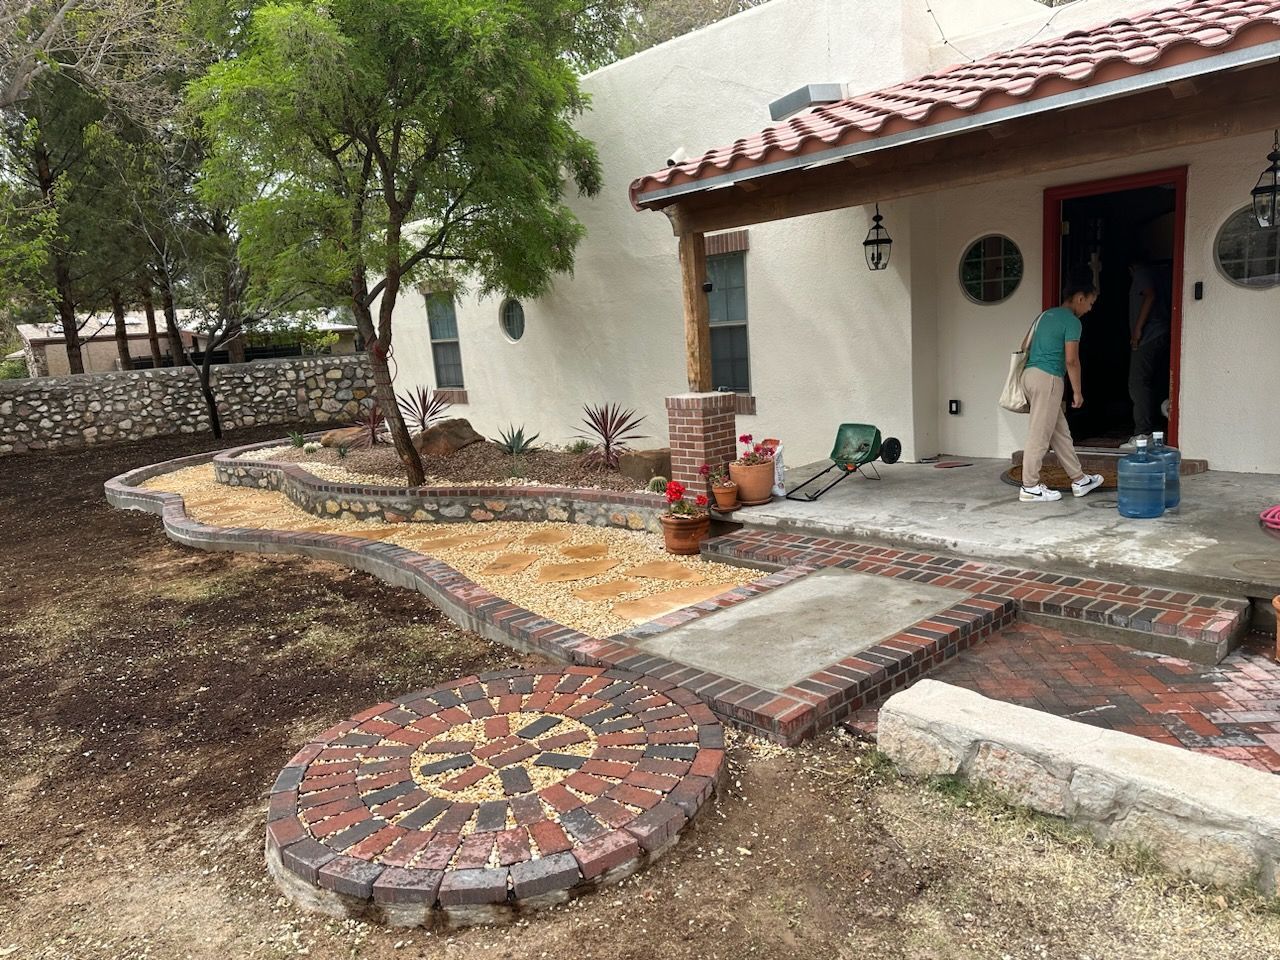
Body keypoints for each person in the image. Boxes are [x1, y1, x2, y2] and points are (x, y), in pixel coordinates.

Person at [1019, 265, 1105, 503]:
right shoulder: (1073, 322)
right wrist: (1077, 391)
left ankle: (1079, 479)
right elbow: (1071, 360)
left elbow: (1024, 343)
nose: (1090, 308)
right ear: (1079, 298)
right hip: (1048, 379)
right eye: (1090, 303)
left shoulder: (1045, 315)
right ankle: (1030, 486)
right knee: (1039, 434)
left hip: (1029, 375)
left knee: (1060, 433)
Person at [1121, 254, 1172, 449]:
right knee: (1155, 380)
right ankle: (1162, 413)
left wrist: (1137, 329)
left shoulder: (1142, 274)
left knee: (1137, 382)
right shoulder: (1161, 274)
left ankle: (1143, 433)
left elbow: (1150, 295)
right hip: (1161, 333)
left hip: (1149, 336)